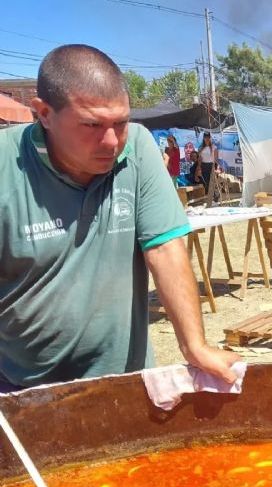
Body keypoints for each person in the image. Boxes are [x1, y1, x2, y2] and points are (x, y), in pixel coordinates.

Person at [0, 44, 239, 391]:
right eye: (92, 124)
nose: (112, 142)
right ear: (44, 114)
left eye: (121, 122)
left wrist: (195, 345)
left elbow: (165, 248)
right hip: (23, 389)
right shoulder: (6, 166)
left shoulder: (138, 147)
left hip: (124, 382)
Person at [196, 132, 218, 204]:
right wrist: (199, 167)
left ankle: (214, 195)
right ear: (203, 138)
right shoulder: (201, 147)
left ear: (210, 138)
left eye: (208, 137)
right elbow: (199, 158)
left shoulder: (214, 147)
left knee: (211, 181)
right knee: (205, 181)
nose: (207, 139)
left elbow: (216, 158)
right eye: (205, 137)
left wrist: (215, 167)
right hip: (203, 165)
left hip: (211, 165)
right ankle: (212, 195)